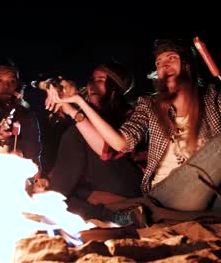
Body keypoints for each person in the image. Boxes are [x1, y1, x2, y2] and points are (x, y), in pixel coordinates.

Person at [47, 39, 221, 225]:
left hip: (214, 194)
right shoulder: (149, 106)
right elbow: (119, 144)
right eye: (159, 63)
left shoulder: (214, 97)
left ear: (187, 65)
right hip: (170, 194)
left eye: (170, 59)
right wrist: (78, 102)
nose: (163, 66)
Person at [44, 62, 145, 226]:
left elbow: (108, 150)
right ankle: (113, 215)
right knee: (68, 200)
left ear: (115, 86)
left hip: (129, 184)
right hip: (98, 186)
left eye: (100, 79)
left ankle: (52, 200)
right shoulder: (89, 112)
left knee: (77, 133)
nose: (92, 84)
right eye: (91, 79)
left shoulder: (132, 114)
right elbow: (69, 159)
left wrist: (74, 108)